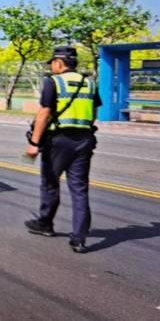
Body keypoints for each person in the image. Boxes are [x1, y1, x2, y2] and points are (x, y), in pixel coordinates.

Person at [23, 46, 101, 253]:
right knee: (80, 189)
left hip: (58, 140)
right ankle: (79, 239)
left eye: (53, 63)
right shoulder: (90, 83)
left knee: (50, 183)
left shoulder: (53, 82)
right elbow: (93, 112)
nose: (52, 67)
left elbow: (44, 113)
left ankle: (45, 224)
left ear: (59, 63)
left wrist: (34, 143)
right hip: (84, 140)